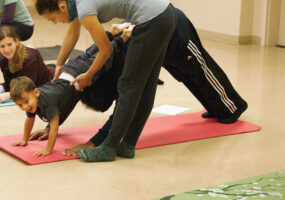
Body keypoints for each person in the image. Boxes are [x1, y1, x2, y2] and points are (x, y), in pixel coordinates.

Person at [30, 9, 248, 157]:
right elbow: (71, 92)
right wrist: (51, 124)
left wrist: (94, 142)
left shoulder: (112, 66)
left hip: (172, 30)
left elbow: (125, 106)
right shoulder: (86, 71)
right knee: (184, 74)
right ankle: (216, 108)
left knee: (199, 68)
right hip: (151, 39)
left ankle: (234, 106)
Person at [28, 0, 176, 162]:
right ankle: (128, 145)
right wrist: (59, 65)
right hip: (163, 14)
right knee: (145, 86)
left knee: (128, 86)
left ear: (62, 7)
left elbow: (105, 50)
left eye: (52, 19)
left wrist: (89, 74)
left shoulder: (84, 6)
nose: (56, 23)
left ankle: (108, 147)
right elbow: (73, 32)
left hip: (152, 20)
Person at [8, 24, 132, 157]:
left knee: (102, 59)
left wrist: (48, 150)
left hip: (79, 75)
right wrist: (24, 140)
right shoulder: (33, 99)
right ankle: (111, 33)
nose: (25, 106)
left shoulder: (46, 102)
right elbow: (29, 121)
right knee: (88, 54)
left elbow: (54, 128)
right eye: (20, 105)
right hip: (69, 70)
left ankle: (122, 38)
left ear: (36, 92)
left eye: (26, 102)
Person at [0, 25, 55, 103]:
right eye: (2, 46)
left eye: (9, 44)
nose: (6, 50)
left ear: (17, 42)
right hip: (29, 78)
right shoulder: (1, 58)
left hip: (50, 81)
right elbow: (10, 84)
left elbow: (30, 87)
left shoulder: (30, 57)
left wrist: (9, 95)